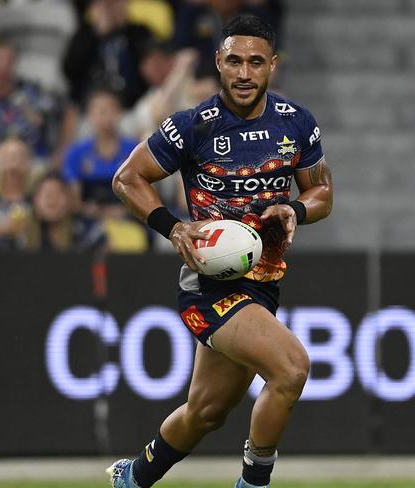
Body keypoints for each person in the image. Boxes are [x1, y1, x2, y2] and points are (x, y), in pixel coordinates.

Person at [107, 15, 332, 488]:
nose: (244, 73)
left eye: (255, 62)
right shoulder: (191, 126)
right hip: (210, 286)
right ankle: (252, 484)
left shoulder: (296, 123)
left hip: (264, 284)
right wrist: (173, 229)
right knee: (292, 369)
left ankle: (133, 478)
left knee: (205, 412)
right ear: (219, 62)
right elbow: (128, 178)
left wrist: (296, 209)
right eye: (234, 61)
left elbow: (323, 194)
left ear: (273, 65)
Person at [0, 37, 70, 169]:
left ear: (15, 63)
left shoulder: (34, 92)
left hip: (35, 166)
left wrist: (63, 150)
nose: (1, 66)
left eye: (7, 60)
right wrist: (2, 158)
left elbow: (69, 109)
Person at [62, 0, 152, 109]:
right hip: (91, 108)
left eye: (115, 3)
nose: (110, 9)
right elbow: (69, 70)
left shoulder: (138, 32)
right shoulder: (85, 34)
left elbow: (150, 70)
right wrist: (97, 34)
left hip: (131, 107)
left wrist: (125, 28)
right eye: (105, 4)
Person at [63, 88, 137, 219]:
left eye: (111, 110)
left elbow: (146, 193)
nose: (106, 116)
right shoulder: (76, 153)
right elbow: (73, 199)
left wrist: (124, 211)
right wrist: (87, 210)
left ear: (120, 113)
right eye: (100, 111)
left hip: (128, 218)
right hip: (87, 219)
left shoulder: (135, 150)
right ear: (89, 115)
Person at [22, 172, 108, 253]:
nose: (52, 200)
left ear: (69, 199)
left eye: (57, 194)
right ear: (35, 201)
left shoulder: (89, 231)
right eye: (47, 194)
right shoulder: (22, 234)